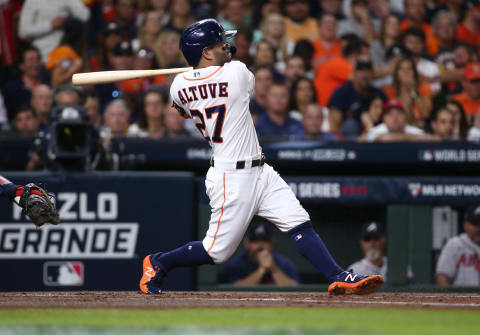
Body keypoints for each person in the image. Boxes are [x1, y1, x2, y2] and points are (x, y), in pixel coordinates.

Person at [140, 18, 384, 296]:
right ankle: (158, 262)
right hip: (230, 177)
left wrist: (195, 77)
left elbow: (183, 110)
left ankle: (339, 276)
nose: (227, 46)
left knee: (297, 221)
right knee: (216, 251)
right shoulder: (237, 73)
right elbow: (230, 80)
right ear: (206, 52)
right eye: (221, 43)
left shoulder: (177, 86)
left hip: (260, 170)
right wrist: (207, 74)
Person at [219, 220, 299, 286]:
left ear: (272, 244)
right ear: (247, 244)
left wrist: (273, 269)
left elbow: (296, 289)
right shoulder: (235, 265)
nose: (260, 245)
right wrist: (261, 270)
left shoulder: (284, 264)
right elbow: (232, 291)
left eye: (265, 240)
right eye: (255, 240)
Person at [328, 59, 386, 139]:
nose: (365, 75)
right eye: (361, 70)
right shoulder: (341, 93)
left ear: (373, 74)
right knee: (350, 124)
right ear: (354, 73)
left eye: (368, 71)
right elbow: (334, 127)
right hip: (349, 138)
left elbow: (387, 118)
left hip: (376, 133)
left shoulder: (379, 94)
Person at [17, 0, 89, 62]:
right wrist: (50, 25)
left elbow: (85, 15)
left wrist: (67, 19)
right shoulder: (32, 1)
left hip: (64, 56)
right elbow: (22, 32)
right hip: (42, 56)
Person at [436, 205, 480, 287]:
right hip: (464, 298)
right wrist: (450, 298)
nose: (478, 228)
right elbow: (443, 277)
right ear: (465, 225)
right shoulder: (455, 244)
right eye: (475, 224)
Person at [363, 99, 438, 142]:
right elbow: (360, 140)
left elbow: (434, 138)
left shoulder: (413, 131)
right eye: (390, 114)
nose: (395, 118)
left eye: (399, 113)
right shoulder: (378, 130)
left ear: (405, 117)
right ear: (383, 118)